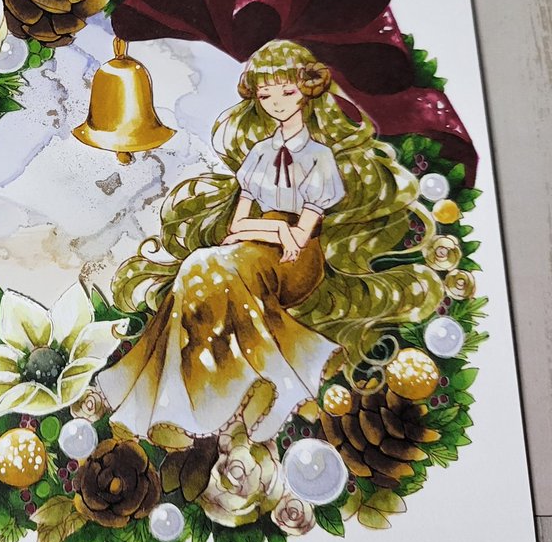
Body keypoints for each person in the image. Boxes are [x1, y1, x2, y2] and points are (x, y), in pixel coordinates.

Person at [99, 40, 443, 446]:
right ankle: (179, 406)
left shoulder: (319, 157)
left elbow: (302, 235)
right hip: (256, 246)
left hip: (298, 261)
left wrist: (277, 232)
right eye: (266, 95)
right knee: (195, 267)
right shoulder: (260, 152)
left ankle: (251, 392)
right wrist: (274, 231)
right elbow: (238, 224)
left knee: (213, 268)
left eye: (286, 91)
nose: (276, 103)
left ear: (306, 92)